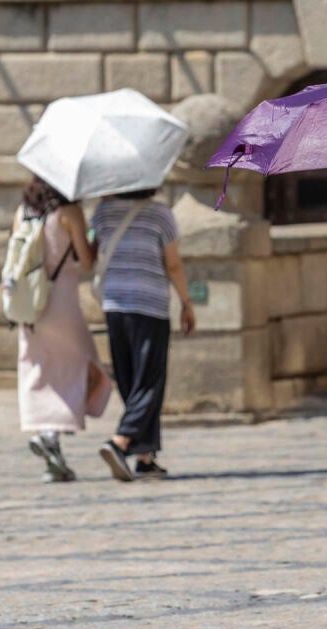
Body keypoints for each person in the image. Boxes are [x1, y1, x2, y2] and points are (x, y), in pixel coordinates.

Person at [91, 187, 196, 482]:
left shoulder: (102, 213)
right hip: (149, 306)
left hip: (114, 305)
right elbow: (172, 263)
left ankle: (145, 457)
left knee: (129, 380)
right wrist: (186, 302)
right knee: (149, 381)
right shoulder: (160, 213)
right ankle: (121, 440)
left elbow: (90, 256)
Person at [14, 176, 111, 483]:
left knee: (37, 367)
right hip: (61, 302)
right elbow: (87, 262)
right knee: (85, 363)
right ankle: (53, 430)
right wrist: (95, 238)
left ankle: (48, 435)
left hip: (28, 303)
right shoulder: (70, 213)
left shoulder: (23, 211)